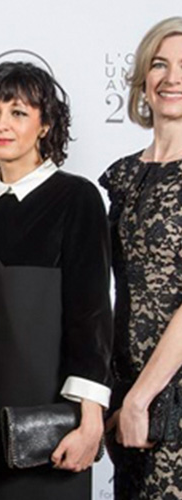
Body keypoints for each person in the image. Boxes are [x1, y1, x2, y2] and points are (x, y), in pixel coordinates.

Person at [0, 62, 113, 500]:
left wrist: (90, 418)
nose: (1, 124)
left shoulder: (76, 197)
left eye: (18, 112)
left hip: (43, 415)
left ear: (45, 125)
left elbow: (92, 312)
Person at [100, 17, 182, 499]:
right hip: (125, 390)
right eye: (160, 64)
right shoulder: (124, 176)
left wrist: (141, 396)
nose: (172, 78)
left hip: (167, 390)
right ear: (143, 80)